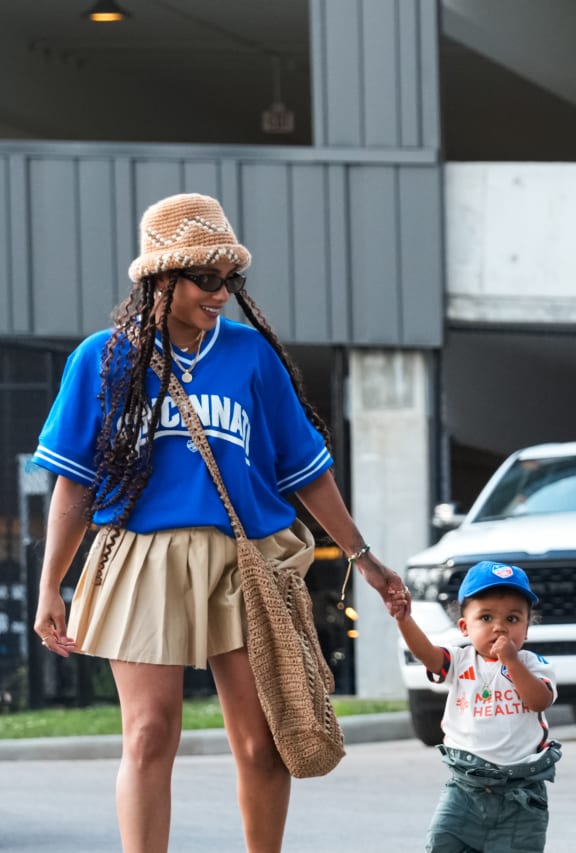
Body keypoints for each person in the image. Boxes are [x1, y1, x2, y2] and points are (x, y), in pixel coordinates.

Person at [30, 192, 411, 853]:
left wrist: (361, 555)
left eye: (229, 280)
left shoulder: (251, 357)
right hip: (141, 555)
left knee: (263, 740)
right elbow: (73, 486)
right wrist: (50, 586)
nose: (221, 294)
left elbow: (305, 470)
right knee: (148, 735)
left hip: (246, 557)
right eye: (206, 279)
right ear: (161, 278)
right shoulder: (101, 358)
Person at [397, 560, 560, 853]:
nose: (499, 627)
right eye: (486, 618)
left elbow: (539, 700)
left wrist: (511, 661)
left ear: (527, 628)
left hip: (520, 792)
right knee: (442, 843)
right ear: (464, 627)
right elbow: (427, 655)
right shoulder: (459, 662)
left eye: (512, 619)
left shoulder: (533, 665)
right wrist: (404, 620)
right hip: (465, 787)